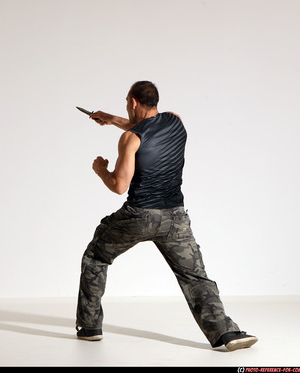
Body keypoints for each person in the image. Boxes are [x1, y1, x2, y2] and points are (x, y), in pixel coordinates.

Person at [75, 81, 257, 351]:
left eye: (127, 102)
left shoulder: (129, 139)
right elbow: (146, 130)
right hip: (175, 218)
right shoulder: (176, 121)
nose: (127, 106)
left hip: (138, 217)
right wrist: (111, 119)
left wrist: (101, 170)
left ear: (134, 103)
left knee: (96, 256)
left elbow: (119, 186)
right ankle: (226, 332)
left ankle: (90, 327)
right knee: (195, 276)